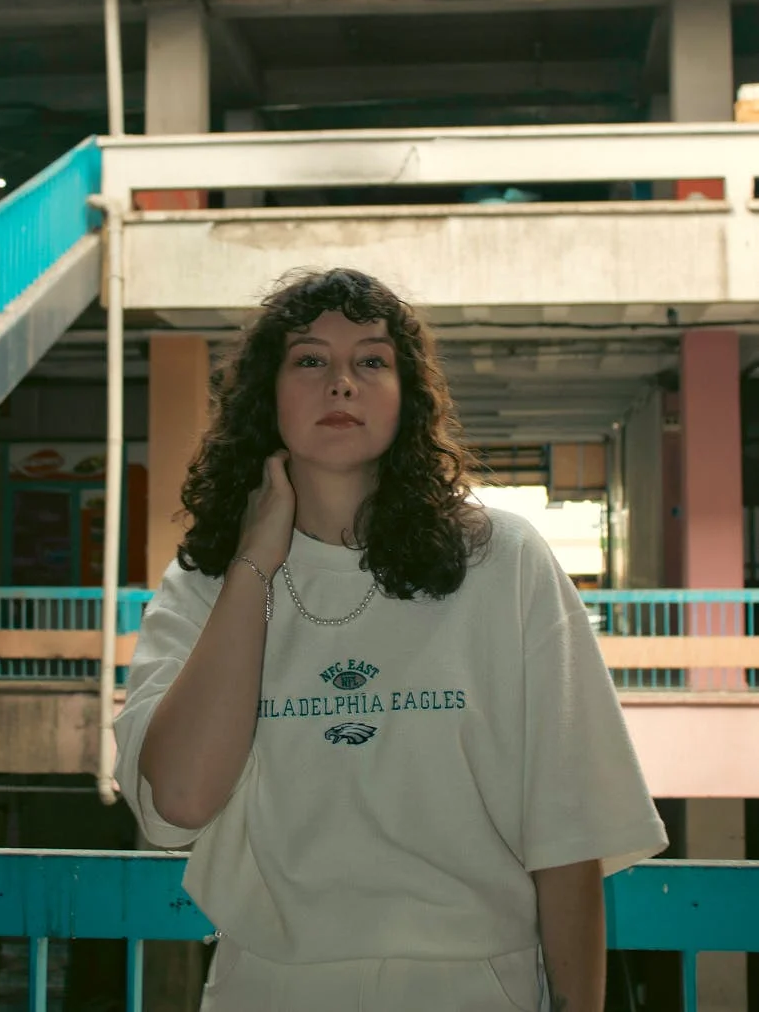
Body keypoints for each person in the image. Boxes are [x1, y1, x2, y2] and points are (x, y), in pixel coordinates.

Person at [114, 267, 667, 1012]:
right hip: (266, 986)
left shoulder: (502, 560)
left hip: (476, 987)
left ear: (407, 397)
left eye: (371, 360)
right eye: (310, 360)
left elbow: (569, 831)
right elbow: (179, 800)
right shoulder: (205, 580)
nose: (341, 382)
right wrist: (255, 564)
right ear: (266, 397)